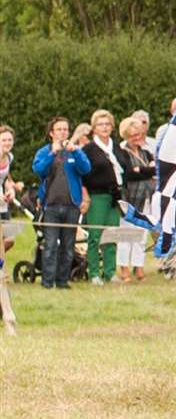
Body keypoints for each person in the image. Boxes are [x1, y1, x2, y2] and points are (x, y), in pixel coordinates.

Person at [31, 117, 91, 289]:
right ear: (51, 133)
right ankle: (47, 282)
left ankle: (63, 281)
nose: (63, 132)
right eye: (59, 129)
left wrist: (77, 152)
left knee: (68, 246)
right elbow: (38, 170)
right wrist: (52, 154)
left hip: (71, 206)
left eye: (65, 129)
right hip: (50, 206)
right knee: (50, 245)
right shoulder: (44, 151)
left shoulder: (74, 151)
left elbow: (86, 169)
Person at [81, 109, 127, 286]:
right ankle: (94, 273)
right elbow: (82, 175)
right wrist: (85, 196)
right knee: (95, 235)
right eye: (100, 124)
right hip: (96, 195)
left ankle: (109, 271)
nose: (105, 127)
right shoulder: (89, 149)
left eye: (107, 124)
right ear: (94, 128)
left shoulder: (116, 147)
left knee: (112, 234)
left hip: (114, 195)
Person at [116, 116, 156, 282]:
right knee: (126, 234)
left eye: (139, 134)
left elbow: (154, 171)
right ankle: (124, 268)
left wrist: (142, 170)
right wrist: (145, 170)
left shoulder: (146, 152)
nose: (137, 137)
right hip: (128, 197)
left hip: (146, 197)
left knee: (141, 234)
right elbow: (129, 173)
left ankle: (139, 267)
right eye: (133, 134)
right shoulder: (121, 152)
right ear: (126, 135)